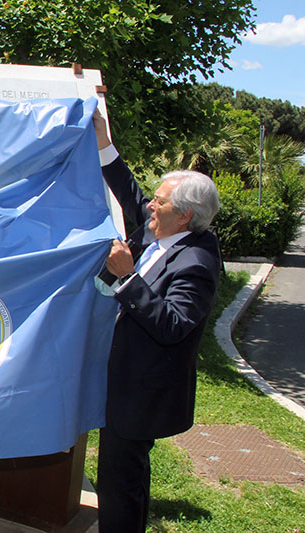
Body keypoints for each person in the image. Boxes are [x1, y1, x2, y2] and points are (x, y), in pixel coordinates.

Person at [92, 110, 221, 533]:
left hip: (142, 394)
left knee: (119, 479)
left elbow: (173, 325)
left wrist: (127, 277)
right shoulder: (161, 232)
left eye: (160, 201)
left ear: (184, 216)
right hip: (125, 381)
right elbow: (130, 193)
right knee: (122, 473)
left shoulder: (196, 261)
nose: (150, 204)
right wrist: (103, 141)